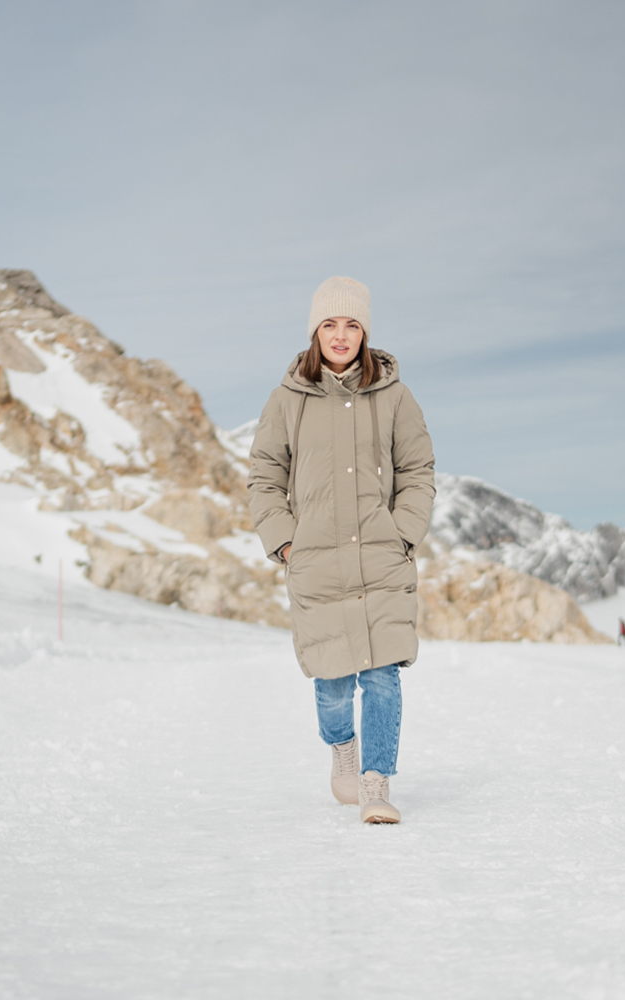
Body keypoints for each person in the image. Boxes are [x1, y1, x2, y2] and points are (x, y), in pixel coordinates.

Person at [248, 276, 435, 824]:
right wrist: (284, 540)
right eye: (330, 324)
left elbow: (418, 468)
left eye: (352, 324)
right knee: (332, 681)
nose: (341, 334)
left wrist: (403, 532)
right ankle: (343, 753)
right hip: (317, 561)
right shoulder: (287, 400)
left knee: (381, 675)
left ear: (365, 332)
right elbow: (264, 474)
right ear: (315, 332)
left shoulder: (395, 396)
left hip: (380, 556)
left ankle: (375, 784)